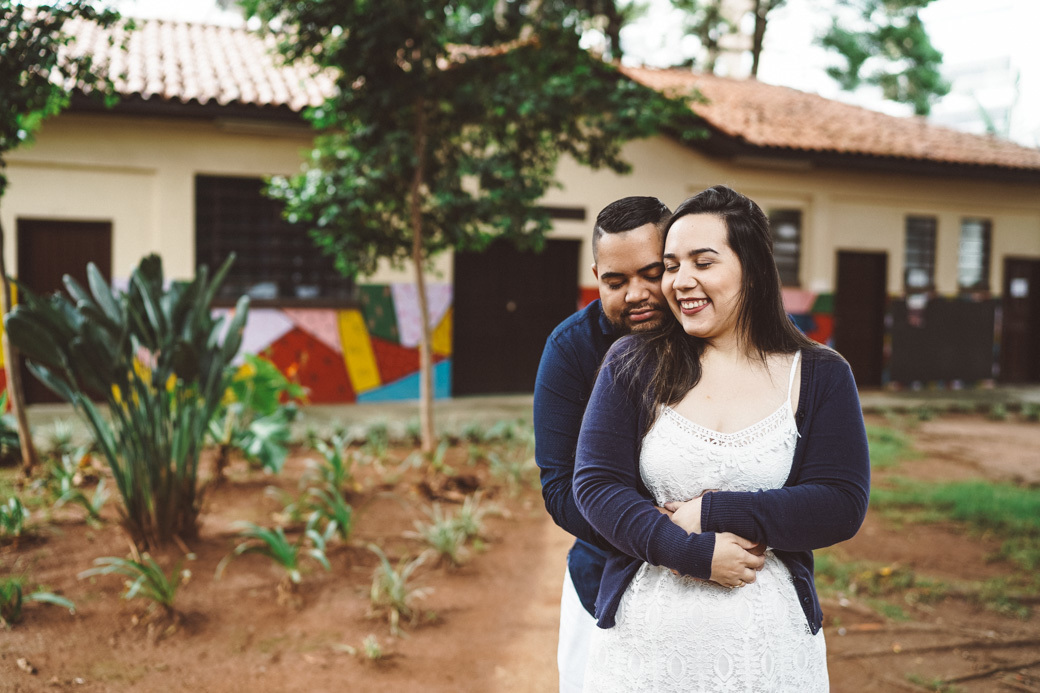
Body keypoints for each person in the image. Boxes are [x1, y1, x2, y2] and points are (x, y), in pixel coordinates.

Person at [573, 185, 871, 691]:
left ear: (751, 269)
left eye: (703, 262)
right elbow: (596, 485)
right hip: (645, 656)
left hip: (771, 656)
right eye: (671, 266)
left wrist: (712, 512)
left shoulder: (821, 373)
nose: (680, 281)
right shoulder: (633, 363)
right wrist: (687, 550)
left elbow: (840, 503)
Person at [534, 196, 673, 693]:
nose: (636, 294)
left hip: (719, 592)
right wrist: (666, 539)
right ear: (596, 277)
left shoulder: (714, 336)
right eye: (615, 282)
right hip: (603, 582)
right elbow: (559, 489)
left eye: (652, 274)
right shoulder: (571, 348)